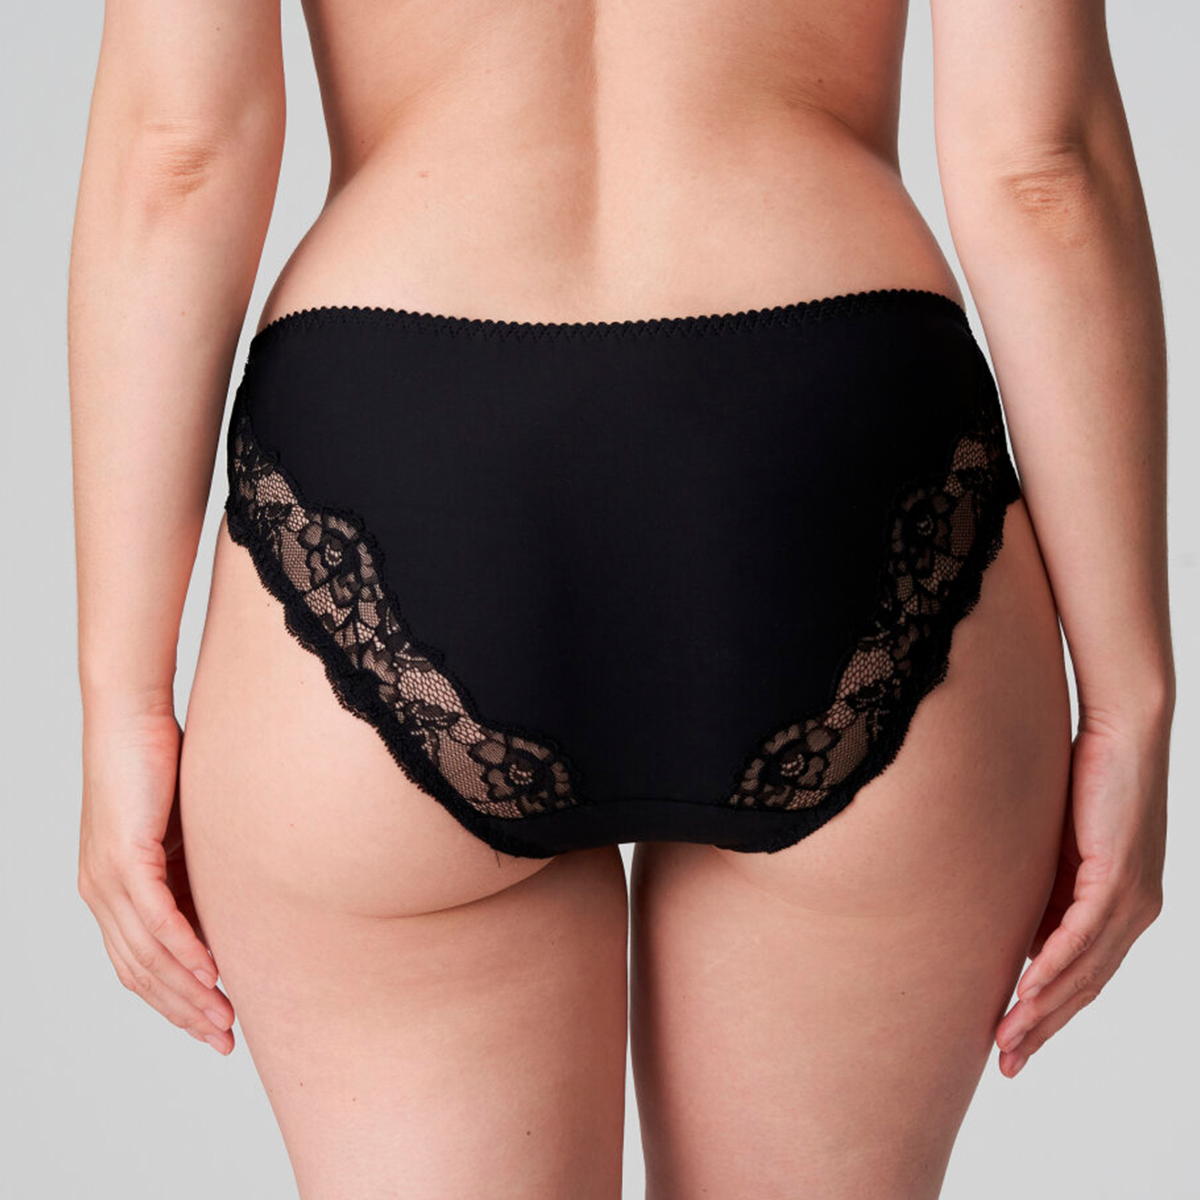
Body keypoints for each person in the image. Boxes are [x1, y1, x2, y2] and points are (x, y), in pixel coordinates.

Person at [67, 1, 1172, 1196]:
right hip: (833, 430)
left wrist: (123, 696)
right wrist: (1129, 698)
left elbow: (178, 154)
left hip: (403, 435)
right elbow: (1040, 168)